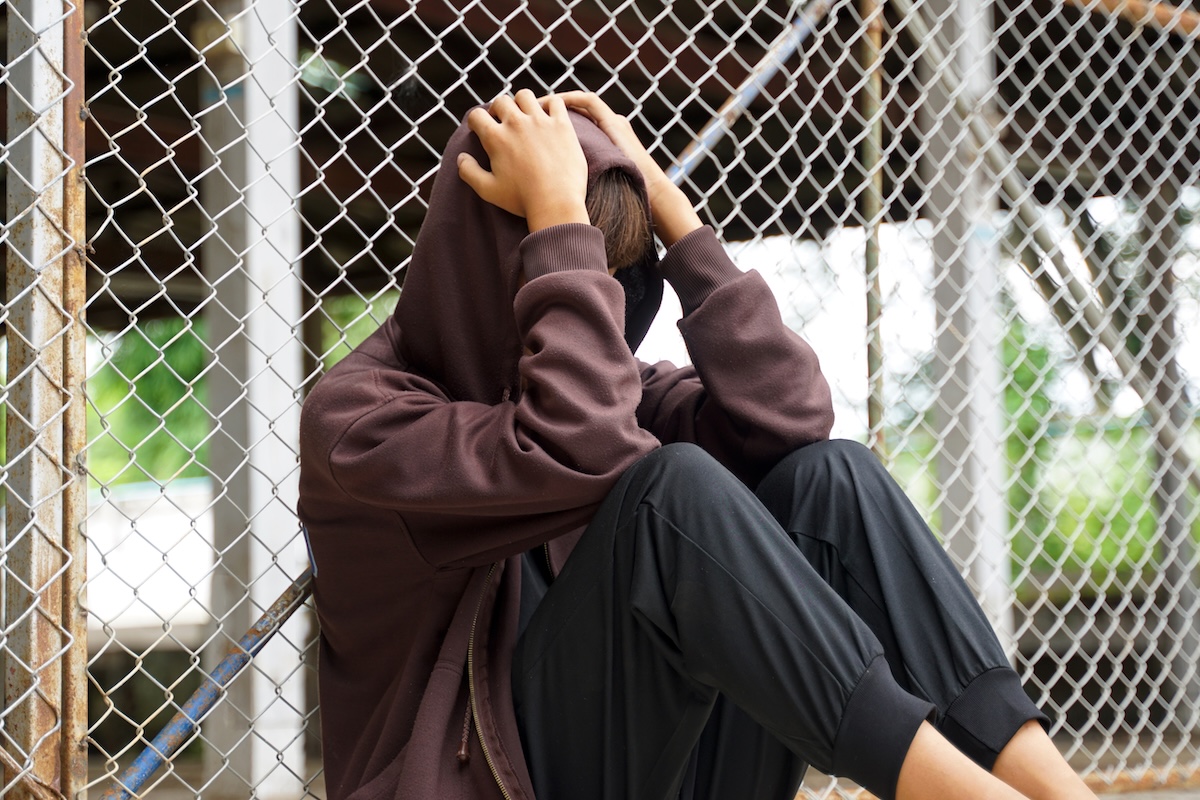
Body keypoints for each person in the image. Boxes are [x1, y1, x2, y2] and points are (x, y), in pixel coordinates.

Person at [297, 89, 1100, 800]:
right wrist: (556, 218)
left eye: (612, 277)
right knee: (668, 491)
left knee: (831, 478)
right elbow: (572, 447)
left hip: (666, 768)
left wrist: (676, 219)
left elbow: (791, 418)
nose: (594, 302)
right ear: (499, 264)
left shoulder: (616, 396)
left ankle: (1059, 792)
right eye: (563, 261)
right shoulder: (363, 419)